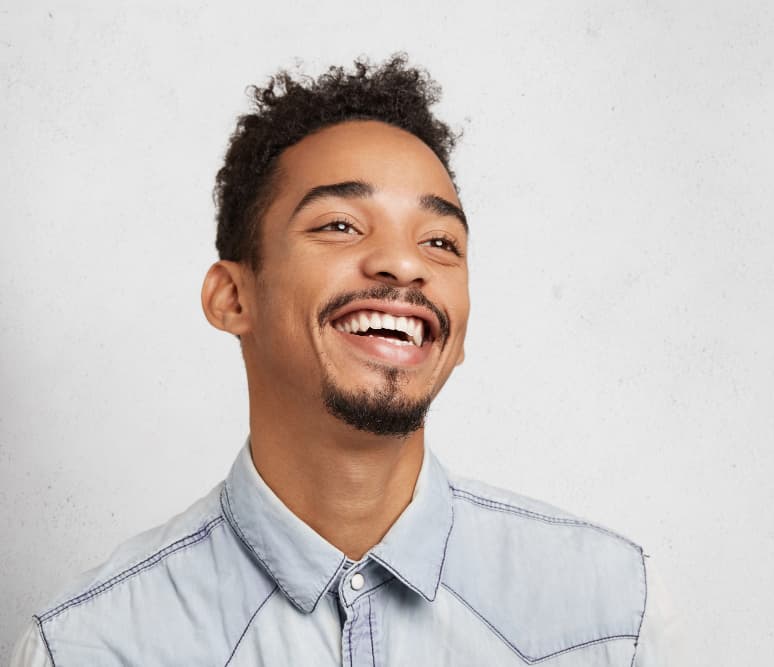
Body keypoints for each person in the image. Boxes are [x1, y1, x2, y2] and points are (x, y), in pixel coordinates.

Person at [10, 55, 674, 666]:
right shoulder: (87, 647)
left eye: (440, 241)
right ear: (232, 298)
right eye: (339, 225)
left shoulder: (611, 613)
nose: (405, 263)